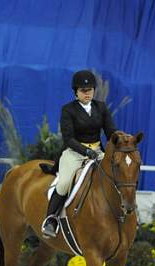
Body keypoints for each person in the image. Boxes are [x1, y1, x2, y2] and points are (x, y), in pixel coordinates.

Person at [41, 70, 117, 238]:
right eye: (83, 90)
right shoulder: (68, 110)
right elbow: (68, 138)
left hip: (97, 151)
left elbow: (110, 130)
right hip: (75, 152)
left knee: (116, 174)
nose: (87, 93)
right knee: (64, 182)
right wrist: (86, 151)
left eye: (90, 89)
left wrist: (122, 139)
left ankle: (123, 214)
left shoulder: (101, 108)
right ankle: (51, 219)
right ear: (76, 91)